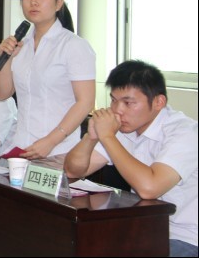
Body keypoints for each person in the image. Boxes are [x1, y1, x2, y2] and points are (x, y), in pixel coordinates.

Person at [64, 60, 197, 257]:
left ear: (159, 102)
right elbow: (72, 170)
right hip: (146, 228)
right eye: (114, 100)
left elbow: (150, 188)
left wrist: (107, 136)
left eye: (128, 103)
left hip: (188, 237)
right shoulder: (126, 128)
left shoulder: (186, 133)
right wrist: (90, 138)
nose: (118, 110)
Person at [0, 0, 95, 160]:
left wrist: (51, 141)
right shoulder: (21, 44)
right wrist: (6, 59)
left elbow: (86, 102)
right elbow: (2, 94)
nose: (33, 2)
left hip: (58, 151)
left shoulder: (74, 45)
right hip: (22, 147)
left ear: (58, 3)